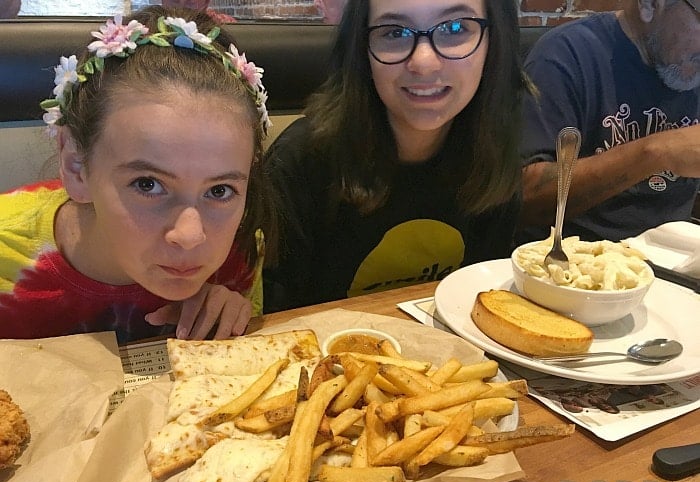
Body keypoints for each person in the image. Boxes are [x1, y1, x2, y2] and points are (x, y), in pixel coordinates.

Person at [0, 6, 278, 343]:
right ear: (76, 166)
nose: (190, 236)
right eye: (148, 184)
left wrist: (230, 322)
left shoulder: (238, 252)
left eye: (220, 190)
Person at [263, 0, 527, 312]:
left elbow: (483, 305)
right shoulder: (300, 161)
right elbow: (272, 317)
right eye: (394, 32)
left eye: (455, 28)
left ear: (494, 41)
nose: (423, 62)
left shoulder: (493, 150)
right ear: (362, 48)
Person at [518, 0, 700, 243]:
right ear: (649, 5)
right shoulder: (565, 55)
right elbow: (525, 199)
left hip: (677, 256)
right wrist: (657, 153)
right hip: (577, 257)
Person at [160, 0, 237, 24]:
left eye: (190, 1)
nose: (182, 5)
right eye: (174, 0)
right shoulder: (153, 23)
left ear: (206, 2)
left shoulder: (224, 25)